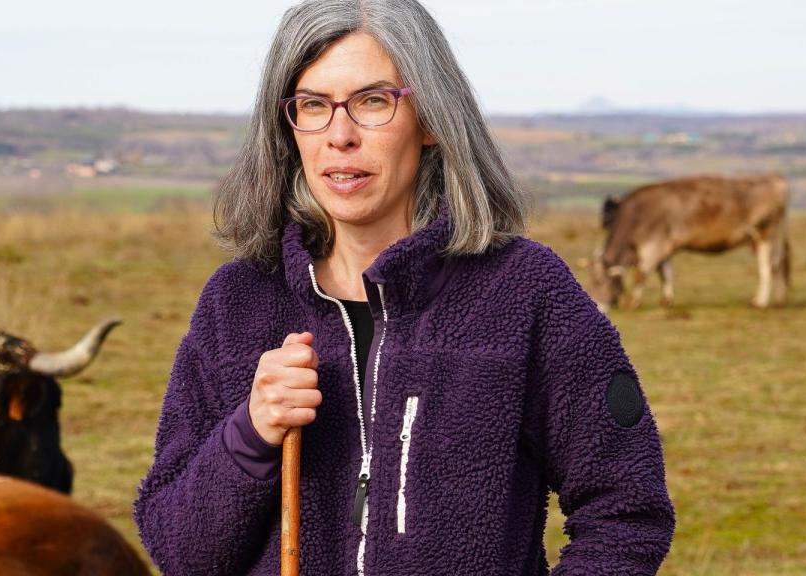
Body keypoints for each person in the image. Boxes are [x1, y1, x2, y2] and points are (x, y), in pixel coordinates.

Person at [132, 0, 675, 574]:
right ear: (288, 129)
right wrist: (251, 431)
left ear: (433, 121)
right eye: (313, 106)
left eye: (373, 101)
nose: (340, 135)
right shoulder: (238, 301)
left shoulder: (525, 291)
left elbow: (626, 512)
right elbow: (178, 552)